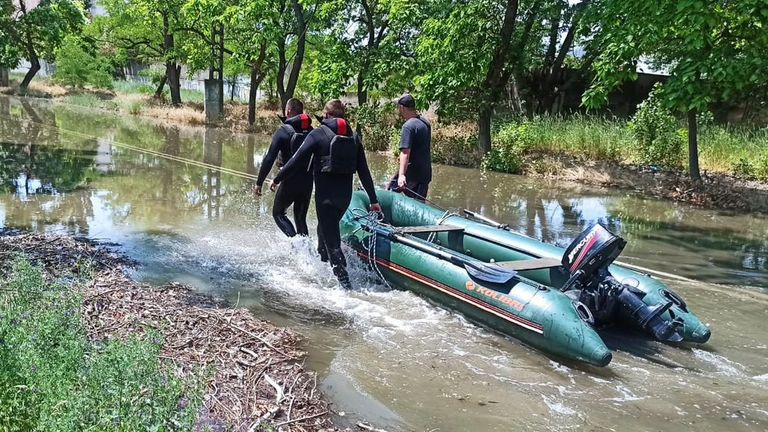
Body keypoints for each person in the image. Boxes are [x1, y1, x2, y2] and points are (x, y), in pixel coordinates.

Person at [270, 99, 381, 289]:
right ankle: (321, 271)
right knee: (323, 234)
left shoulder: (318, 134)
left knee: (332, 244)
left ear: (327, 115)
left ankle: (346, 289)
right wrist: (373, 200)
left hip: (326, 200)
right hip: (344, 199)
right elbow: (364, 172)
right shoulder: (354, 138)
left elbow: (296, 161)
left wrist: (278, 178)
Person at [255, 98, 314, 237]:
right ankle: (308, 252)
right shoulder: (312, 131)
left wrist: (259, 182)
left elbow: (269, 158)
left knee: (278, 214)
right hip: (307, 181)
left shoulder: (283, 131)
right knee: (300, 219)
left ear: (288, 111)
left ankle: (297, 247)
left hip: (289, 179)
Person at [387, 93, 432, 201]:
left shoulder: (408, 126)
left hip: (411, 174)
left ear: (402, 108)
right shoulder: (425, 123)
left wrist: (402, 175)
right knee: (419, 205)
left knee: (389, 194)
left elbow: (405, 152)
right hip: (425, 173)